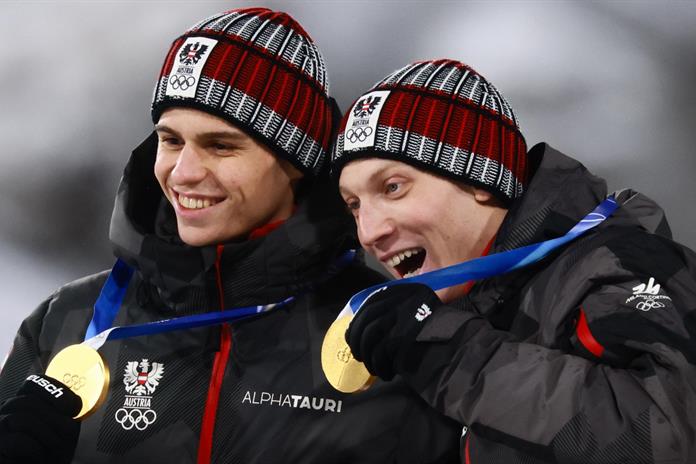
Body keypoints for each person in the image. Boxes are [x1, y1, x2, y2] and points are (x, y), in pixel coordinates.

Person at [0, 11, 461, 464]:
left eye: (220, 146)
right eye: (171, 140)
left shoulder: (389, 334)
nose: (183, 172)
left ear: (296, 163)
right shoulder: (67, 321)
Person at [332, 59, 696, 463]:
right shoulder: (486, 305)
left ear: (477, 177)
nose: (368, 232)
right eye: (354, 205)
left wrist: (452, 356)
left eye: (393, 188)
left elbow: (670, 438)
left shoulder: (619, 264)